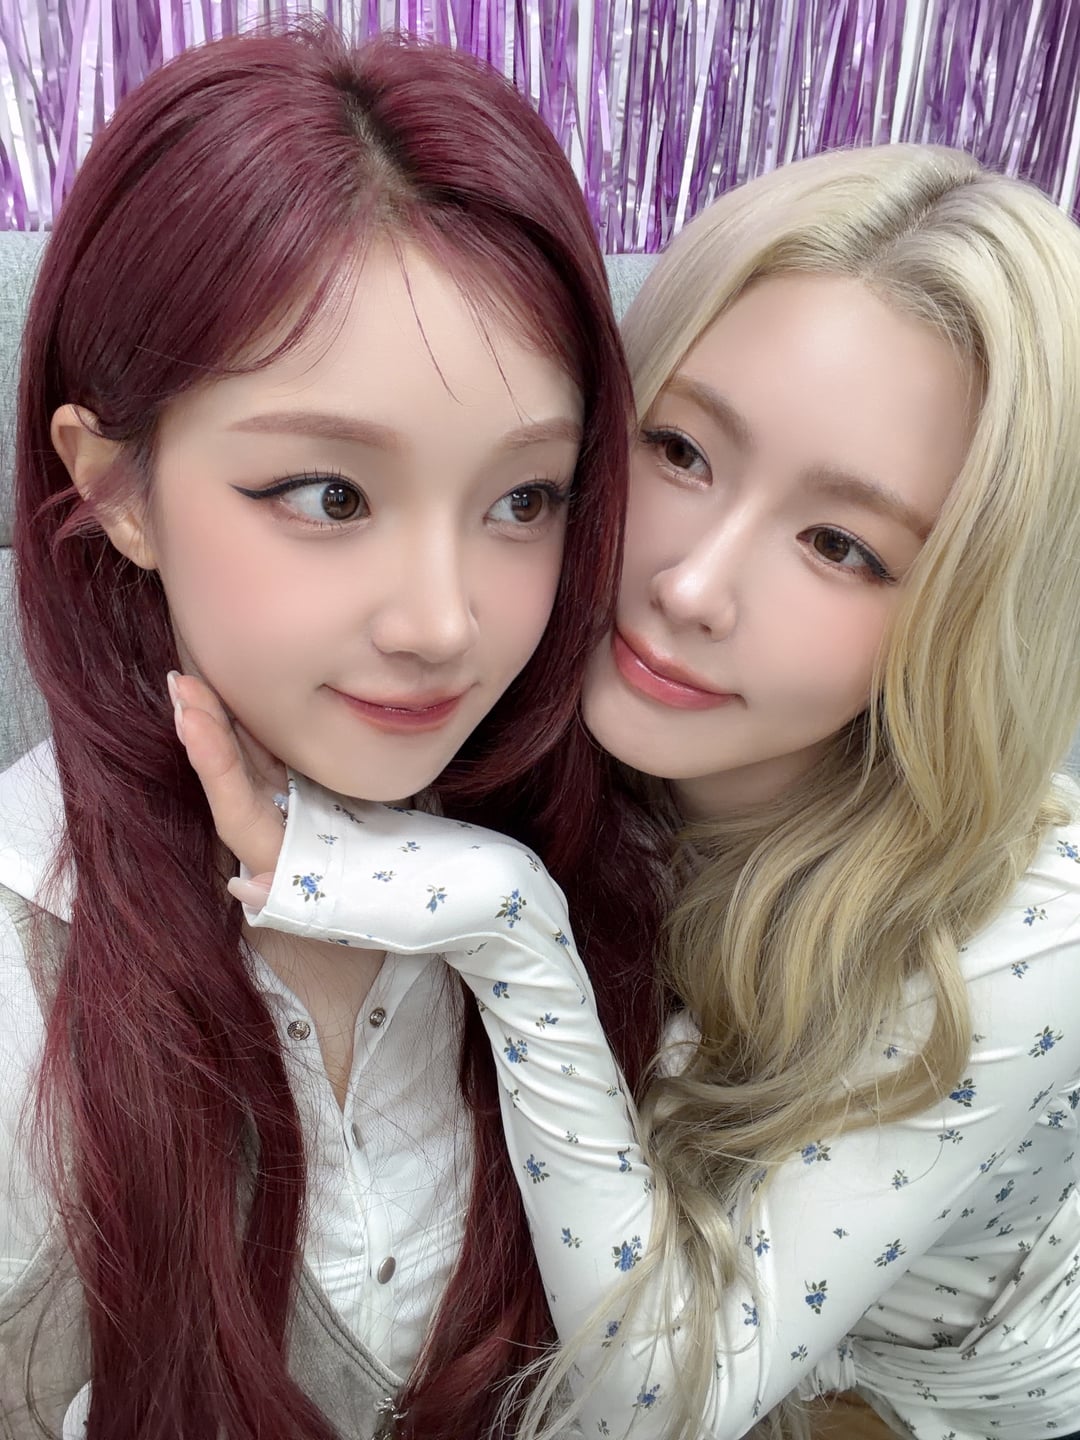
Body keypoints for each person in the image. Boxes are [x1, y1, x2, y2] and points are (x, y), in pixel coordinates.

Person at [198, 144, 1080, 1440]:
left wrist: (511, 927)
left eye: (840, 545)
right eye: (680, 449)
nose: (691, 586)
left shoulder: (1024, 941)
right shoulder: (527, 686)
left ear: (965, 617)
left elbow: (663, 1401)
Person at [0, 24, 665, 1440]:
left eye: (524, 500)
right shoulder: (20, 967)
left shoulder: (631, 876)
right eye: (331, 496)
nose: (442, 623)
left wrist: (512, 922)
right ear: (114, 485)